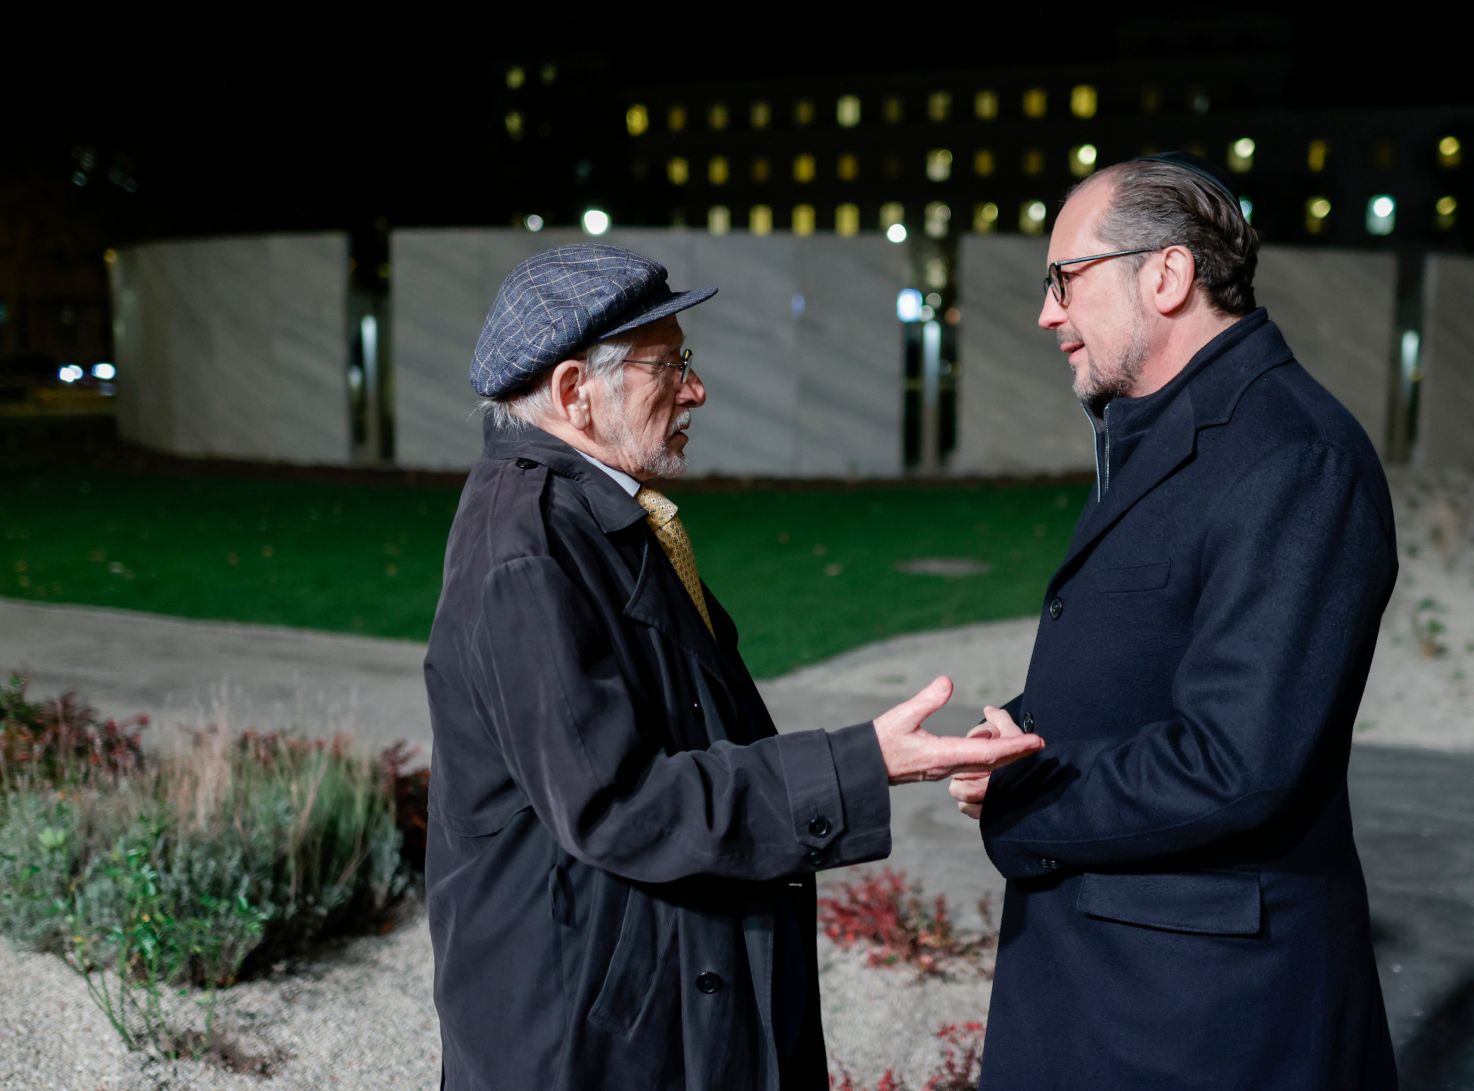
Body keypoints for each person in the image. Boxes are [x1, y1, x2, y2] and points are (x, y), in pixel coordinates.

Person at [423, 244, 1042, 1091]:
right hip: (584, 1039)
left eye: (689, 358)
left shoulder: (589, 512)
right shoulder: (526, 549)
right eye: (668, 364)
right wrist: (863, 762)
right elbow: (620, 805)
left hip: (631, 1003)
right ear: (573, 392)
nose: (695, 388)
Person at [948, 155, 1400, 1089]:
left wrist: (1025, 793)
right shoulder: (1166, 430)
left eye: (1064, 280)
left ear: (1166, 274)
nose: (1046, 314)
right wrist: (1020, 736)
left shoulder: (1292, 455)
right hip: (1113, 986)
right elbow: (1147, 654)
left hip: (1199, 1018)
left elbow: (1239, 761)